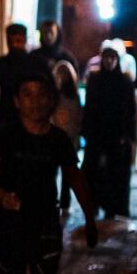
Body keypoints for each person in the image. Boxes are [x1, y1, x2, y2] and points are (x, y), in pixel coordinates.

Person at [0, 73, 98, 274]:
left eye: (42, 94)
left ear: (52, 100)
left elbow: (75, 179)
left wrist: (90, 220)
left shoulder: (59, 140)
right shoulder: (6, 136)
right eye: (28, 94)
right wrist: (1, 195)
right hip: (9, 227)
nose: (36, 101)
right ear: (17, 101)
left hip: (46, 227)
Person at [83, 46, 137, 219]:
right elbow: (89, 107)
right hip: (97, 134)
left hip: (117, 135)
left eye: (113, 58)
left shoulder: (124, 81)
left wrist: (129, 136)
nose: (109, 61)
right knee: (94, 172)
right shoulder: (95, 79)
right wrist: (86, 132)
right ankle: (94, 205)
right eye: (107, 58)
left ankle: (113, 207)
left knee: (116, 175)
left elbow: (131, 110)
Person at [0, 22, 51, 129]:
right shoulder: (1, 64)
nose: (14, 45)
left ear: (24, 40)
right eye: (11, 42)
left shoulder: (37, 63)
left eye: (18, 41)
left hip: (32, 120)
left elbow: (50, 91)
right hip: (7, 119)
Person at [49, 60, 83, 215]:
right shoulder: (52, 96)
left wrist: (76, 137)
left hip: (68, 138)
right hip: (53, 138)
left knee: (67, 173)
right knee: (52, 172)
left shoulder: (73, 95)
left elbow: (77, 117)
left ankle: (64, 203)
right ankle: (52, 201)